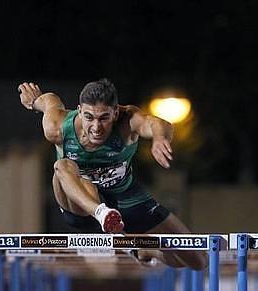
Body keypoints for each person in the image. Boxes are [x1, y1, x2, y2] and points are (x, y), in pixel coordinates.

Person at [17, 78, 207, 270]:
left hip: (126, 198)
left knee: (198, 260)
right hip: (82, 206)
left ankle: (141, 250)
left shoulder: (127, 120)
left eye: (104, 118)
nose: (96, 127)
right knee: (62, 165)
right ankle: (103, 214)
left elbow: (159, 123)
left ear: (115, 113)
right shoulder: (57, 127)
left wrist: (159, 138)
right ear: (80, 110)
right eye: (89, 117)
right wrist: (34, 101)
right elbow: (49, 101)